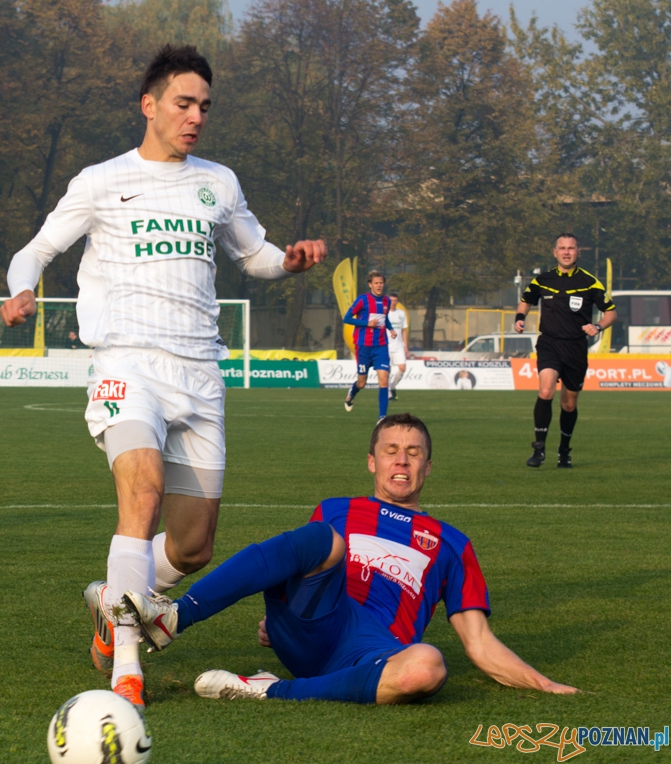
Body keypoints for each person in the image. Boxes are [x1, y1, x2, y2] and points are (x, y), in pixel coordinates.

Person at [0, 44, 326, 709]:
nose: (196, 115)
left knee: (193, 544)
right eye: (184, 102)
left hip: (200, 374)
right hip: (127, 363)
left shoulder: (219, 183)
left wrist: (288, 262)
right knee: (140, 491)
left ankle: (111, 598)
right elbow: (35, 250)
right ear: (148, 106)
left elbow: (253, 256)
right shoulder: (100, 180)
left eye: (205, 105)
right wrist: (22, 288)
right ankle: (125, 665)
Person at [123, 413, 577, 705]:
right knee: (326, 539)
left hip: (374, 653)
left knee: (428, 667)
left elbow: (478, 643)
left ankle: (266, 690)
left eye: (414, 453)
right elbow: (301, 565)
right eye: (391, 451)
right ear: (372, 463)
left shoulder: (452, 543)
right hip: (317, 622)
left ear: (428, 467)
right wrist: (279, 621)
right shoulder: (339, 510)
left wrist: (546, 684)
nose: (402, 461)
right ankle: (177, 615)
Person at [515, 233, 616, 468]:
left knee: (569, 404)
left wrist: (598, 326)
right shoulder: (542, 279)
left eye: (571, 248)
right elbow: (525, 300)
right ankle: (538, 449)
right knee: (546, 389)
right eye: (562, 248)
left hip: (576, 348)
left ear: (578, 252)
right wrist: (520, 318)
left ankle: (564, 450)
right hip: (549, 343)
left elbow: (611, 312)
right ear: (555, 252)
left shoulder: (590, 282)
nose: (566, 252)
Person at [343, 271, 395, 422]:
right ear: (370, 284)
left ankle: (382, 418)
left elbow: (385, 319)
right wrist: (367, 323)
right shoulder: (362, 300)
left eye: (381, 283)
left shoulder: (386, 301)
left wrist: (390, 329)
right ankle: (351, 394)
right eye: (376, 283)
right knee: (362, 383)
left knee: (384, 380)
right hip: (363, 347)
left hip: (381, 346)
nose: (379, 285)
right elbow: (347, 318)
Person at [386, 293, 409, 400]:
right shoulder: (383, 313)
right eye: (391, 300)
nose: (393, 302)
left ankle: (392, 386)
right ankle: (388, 393)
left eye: (395, 300)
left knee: (402, 368)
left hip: (398, 346)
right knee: (387, 370)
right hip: (385, 346)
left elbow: (404, 330)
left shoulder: (401, 313)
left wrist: (405, 345)